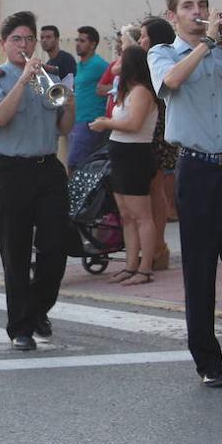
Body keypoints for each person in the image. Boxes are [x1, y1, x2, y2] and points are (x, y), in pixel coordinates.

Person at [148, 0, 222, 388]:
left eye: (202, 5)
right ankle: (208, 361)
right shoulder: (161, 53)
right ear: (173, 16)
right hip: (195, 171)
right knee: (199, 273)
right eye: (188, 6)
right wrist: (207, 45)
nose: (197, 11)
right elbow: (173, 83)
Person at [0, 11, 75, 352]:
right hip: (11, 171)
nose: (24, 45)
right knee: (15, 251)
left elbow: (64, 128)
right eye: (17, 39)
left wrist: (69, 99)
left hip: (47, 167)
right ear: (4, 43)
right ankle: (21, 325)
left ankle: (37, 308)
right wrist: (22, 80)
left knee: (56, 247)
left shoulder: (50, 76)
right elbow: (0, 118)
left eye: (29, 39)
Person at [89, 46, 159, 286]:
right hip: (119, 154)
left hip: (135, 156)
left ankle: (146, 267)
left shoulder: (141, 92)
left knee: (141, 215)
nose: (116, 62)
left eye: (121, 59)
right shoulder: (125, 91)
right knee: (126, 215)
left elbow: (134, 124)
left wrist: (106, 123)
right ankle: (130, 265)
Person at [138, 18, 178, 271]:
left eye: (144, 35)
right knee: (152, 189)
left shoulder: (162, 58)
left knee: (157, 188)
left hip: (159, 129)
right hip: (151, 129)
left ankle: (159, 246)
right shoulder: (146, 58)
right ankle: (153, 245)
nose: (141, 40)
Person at [68, 26, 110, 169]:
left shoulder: (99, 64)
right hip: (78, 120)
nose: (77, 44)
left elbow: (118, 82)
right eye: (77, 40)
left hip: (91, 120)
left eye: (82, 40)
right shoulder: (79, 65)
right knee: (79, 164)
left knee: (74, 164)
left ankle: (74, 192)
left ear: (92, 44)